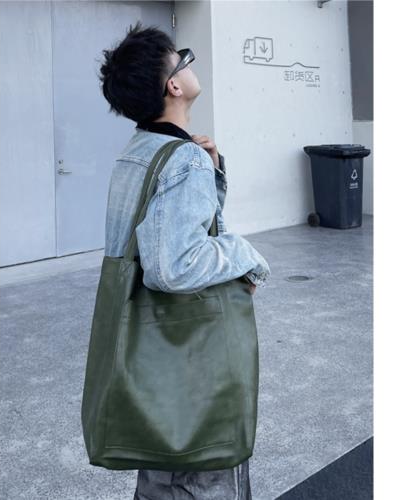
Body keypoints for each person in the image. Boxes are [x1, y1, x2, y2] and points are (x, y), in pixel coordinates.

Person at [98, 21, 271, 499]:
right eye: (183, 59)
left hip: (149, 357)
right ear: (173, 85)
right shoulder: (181, 159)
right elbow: (173, 266)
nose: (190, 65)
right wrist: (245, 255)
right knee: (204, 468)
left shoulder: (137, 151)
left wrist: (209, 175)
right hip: (191, 355)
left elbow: (161, 237)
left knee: (162, 461)